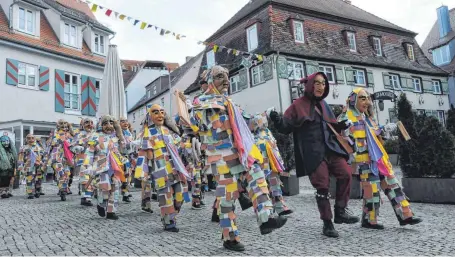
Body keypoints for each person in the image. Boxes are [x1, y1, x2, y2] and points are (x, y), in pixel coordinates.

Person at [188, 65, 287, 252]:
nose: (225, 79)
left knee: (258, 179)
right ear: (209, 82)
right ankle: (230, 237)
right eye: (219, 76)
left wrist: (262, 117)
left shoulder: (229, 103)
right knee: (227, 199)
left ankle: (266, 217)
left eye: (226, 76)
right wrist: (260, 118)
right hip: (222, 159)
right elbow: (215, 126)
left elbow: (246, 123)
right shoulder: (203, 103)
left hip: (241, 155)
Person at [269, 72, 359, 238]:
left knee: (346, 173)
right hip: (313, 153)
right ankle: (327, 223)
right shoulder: (298, 105)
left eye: (323, 83)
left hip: (331, 149)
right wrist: (276, 119)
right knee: (322, 186)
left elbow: (330, 126)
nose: (320, 86)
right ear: (309, 85)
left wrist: (341, 125)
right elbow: (285, 127)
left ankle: (340, 210)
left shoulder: (324, 104)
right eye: (317, 83)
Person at [338, 88, 422, 229]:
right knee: (372, 189)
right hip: (363, 160)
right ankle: (370, 219)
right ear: (353, 100)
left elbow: (376, 132)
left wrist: (387, 129)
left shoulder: (367, 118)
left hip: (378, 159)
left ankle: (406, 215)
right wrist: (346, 127)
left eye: (367, 99)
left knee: (392, 185)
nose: (367, 102)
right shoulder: (347, 115)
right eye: (363, 98)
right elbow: (341, 130)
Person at [135, 104, 191, 232]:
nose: (160, 115)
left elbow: (181, 145)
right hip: (160, 170)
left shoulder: (169, 131)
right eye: (155, 112)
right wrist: (143, 172)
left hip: (175, 168)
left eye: (162, 112)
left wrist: (190, 141)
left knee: (180, 195)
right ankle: (169, 222)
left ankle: (171, 214)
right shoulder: (147, 133)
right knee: (166, 196)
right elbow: (145, 154)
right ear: (150, 116)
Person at [246, 112, 293, 216]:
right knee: (262, 187)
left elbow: (274, 147)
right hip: (258, 165)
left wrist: (279, 162)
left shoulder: (267, 132)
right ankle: (267, 209)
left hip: (271, 164)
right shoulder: (250, 135)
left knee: (275, 183)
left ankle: (280, 206)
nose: (261, 123)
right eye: (258, 122)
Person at [82, 115, 126, 220]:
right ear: (101, 125)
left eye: (111, 123)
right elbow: (89, 151)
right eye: (105, 124)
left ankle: (111, 211)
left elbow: (125, 149)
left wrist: (120, 132)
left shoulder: (116, 137)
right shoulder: (95, 136)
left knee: (115, 188)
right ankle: (101, 204)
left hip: (115, 167)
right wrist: (88, 165)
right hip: (101, 166)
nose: (109, 126)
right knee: (104, 189)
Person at [46, 119, 74, 201]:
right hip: (56, 158)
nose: (63, 125)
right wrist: (45, 160)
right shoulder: (55, 134)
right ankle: (63, 190)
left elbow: (73, 146)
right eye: (61, 124)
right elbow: (49, 147)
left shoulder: (70, 136)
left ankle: (63, 189)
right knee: (61, 173)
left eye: (65, 124)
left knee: (66, 174)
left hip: (66, 159)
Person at [71, 118, 95, 206]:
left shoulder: (96, 134)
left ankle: (91, 193)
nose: (89, 124)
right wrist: (76, 148)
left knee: (93, 178)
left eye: (91, 122)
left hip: (95, 158)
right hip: (83, 158)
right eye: (87, 122)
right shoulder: (79, 134)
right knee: (85, 178)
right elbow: (72, 145)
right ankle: (85, 197)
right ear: (82, 125)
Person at [17, 134, 45, 199]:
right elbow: (20, 157)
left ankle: (37, 191)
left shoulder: (39, 147)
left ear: (34, 139)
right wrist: (20, 165)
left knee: (38, 179)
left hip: (38, 166)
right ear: (26, 139)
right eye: (29, 138)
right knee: (29, 179)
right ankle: (30, 193)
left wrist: (44, 163)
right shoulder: (23, 147)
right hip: (28, 165)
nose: (31, 140)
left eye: (32, 138)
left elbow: (43, 156)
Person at [119, 117, 134, 203]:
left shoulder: (129, 132)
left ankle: (126, 193)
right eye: (123, 122)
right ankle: (124, 193)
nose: (125, 123)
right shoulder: (118, 133)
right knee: (123, 176)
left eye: (126, 121)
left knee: (128, 175)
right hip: (121, 156)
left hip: (128, 157)